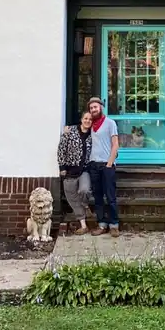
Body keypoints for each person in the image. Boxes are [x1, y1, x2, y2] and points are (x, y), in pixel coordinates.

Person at [86, 96, 120, 237]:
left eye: (96, 107)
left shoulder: (110, 123)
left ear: (101, 107)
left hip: (107, 165)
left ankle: (114, 225)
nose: (94, 109)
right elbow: (80, 129)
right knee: (98, 197)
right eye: (91, 108)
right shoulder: (91, 125)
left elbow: (115, 144)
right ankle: (101, 224)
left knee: (110, 196)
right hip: (93, 165)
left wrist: (109, 164)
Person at [57, 110, 93, 234]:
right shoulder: (70, 131)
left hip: (84, 170)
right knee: (72, 198)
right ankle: (83, 225)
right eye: (86, 118)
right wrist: (62, 168)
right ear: (81, 119)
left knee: (85, 190)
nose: (88, 121)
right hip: (69, 170)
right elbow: (62, 149)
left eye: (90, 119)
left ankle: (85, 205)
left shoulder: (93, 135)